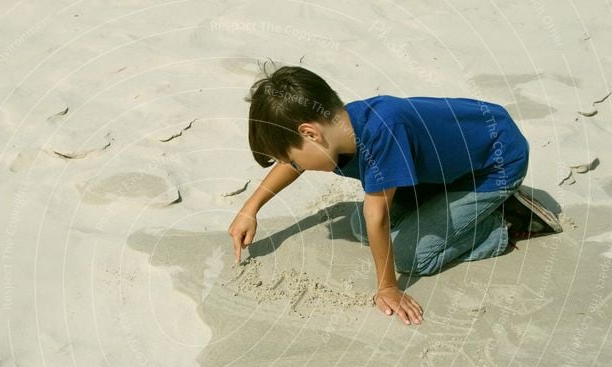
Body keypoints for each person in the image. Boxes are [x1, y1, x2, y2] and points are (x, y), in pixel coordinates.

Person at [228, 65, 553, 326]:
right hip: (442, 169)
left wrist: (388, 288)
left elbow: (377, 216)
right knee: (359, 228)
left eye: (294, 159)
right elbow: (303, 168)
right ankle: (447, 205)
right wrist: (250, 208)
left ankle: (501, 224)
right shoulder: (339, 126)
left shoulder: (382, 131)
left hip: (493, 165)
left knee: (411, 256)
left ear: (310, 133)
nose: (296, 167)